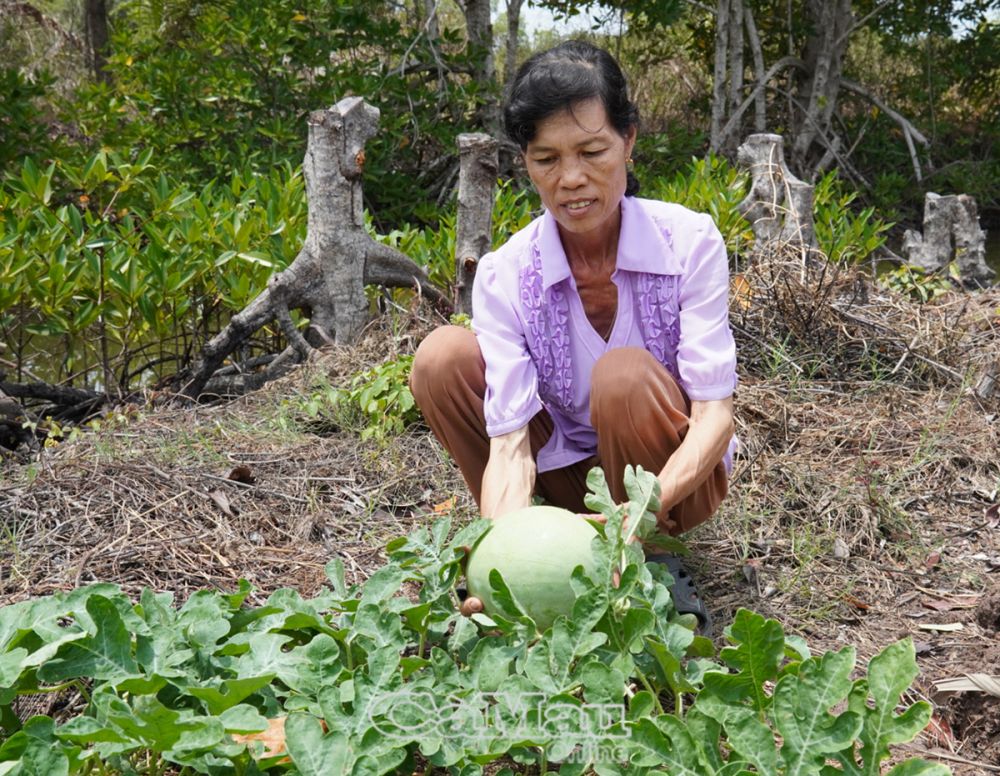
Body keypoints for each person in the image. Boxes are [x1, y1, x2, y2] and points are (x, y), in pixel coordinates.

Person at [409, 40, 737, 623]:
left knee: (624, 376)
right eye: (546, 159)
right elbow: (509, 445)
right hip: (564, 484)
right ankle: (553, 554)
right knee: (441, 358)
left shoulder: (688, 242)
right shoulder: (506, 274)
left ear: (629, 141)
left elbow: (714, 416)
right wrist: (503, 564)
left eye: (592, 151)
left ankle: (653, 557)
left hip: (670, 485)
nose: (571, 179)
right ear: (524, 162)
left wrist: (638, 511)